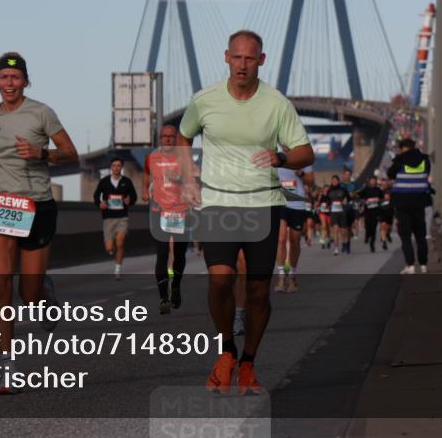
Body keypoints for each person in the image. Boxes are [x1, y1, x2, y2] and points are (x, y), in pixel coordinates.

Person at [177, 29, 314, 395]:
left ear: (261, 61)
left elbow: (305, 152)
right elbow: (183, 135)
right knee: (220, 280)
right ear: (226, 57)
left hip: (263, 204)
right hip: (218, 203)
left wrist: (281, 157)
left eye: (249, 58)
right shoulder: (204, 100)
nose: (242, 65)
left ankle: (249, 362)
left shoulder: (276, 103)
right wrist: (189, 177)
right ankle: (226, 352)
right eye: (236, 57)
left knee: (257, 292)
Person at [0, 52, 78, 394]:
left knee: (28, 294)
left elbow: (71, 153)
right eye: (4, 77)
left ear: (25, 81)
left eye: (15, 78)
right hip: (3, 205)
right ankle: (8, 368)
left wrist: (42, 153)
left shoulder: (41, 113)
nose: (10, 83)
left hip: (38, 206)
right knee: (0, 285)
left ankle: (45, 295)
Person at [143, 125, 189, 313]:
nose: (168, 139)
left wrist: (179, 178)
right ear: (160, 138)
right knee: (162, 253)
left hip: (181, 211)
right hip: (158, 210)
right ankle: (163, 298)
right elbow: (146, 173)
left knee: (179, 254)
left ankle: (176, 285)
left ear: (177, 138)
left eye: (171, 136)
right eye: (164, 136)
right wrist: (144, 189)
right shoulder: (152, 157)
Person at [387, 138, 432, 274]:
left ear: (402, 148)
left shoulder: (400, 160)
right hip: (419, 202)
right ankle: (423, 264)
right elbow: (427, 174)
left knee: (405, 236)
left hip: (403, 204)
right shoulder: (425, 160)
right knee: (420, 235)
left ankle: (410, 265)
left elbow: (390, 174)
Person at [94, 157, 138, 280]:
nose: (116, 168)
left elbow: (134, 197)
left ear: (121, 167)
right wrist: (100, 203)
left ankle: (117, 270)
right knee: (109, 247)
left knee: (120, 241)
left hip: (122, 217)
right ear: (111, 167)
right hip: (108, 218)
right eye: (114, 165)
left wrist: (130, 200)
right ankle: (114, 251)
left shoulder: (127, 182)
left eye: (118, 165)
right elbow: (96, 196)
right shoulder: (104, 182)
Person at [274, 162, 314, 292]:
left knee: (294, 241)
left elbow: (311, 181)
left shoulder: (303, 158)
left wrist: (301, 173)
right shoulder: (276, 156)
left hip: (297, 205)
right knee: (281, 239)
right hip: (279, 203)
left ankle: (292, 275)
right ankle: (281, 277)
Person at [357, 175, 385, 253]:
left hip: (376, 211)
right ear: (369, 181)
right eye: (372, 180)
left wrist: (379, 201)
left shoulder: (378, 190)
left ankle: (372, 245)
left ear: (376, 181)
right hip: (367, 211)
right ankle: (367, 236)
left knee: (373, 229)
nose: (373, 181)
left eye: (374, 180)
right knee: (368, 227)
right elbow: (358, 196)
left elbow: (382, 199)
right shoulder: (366, 189)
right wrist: (364, 201)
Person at [324, 175, 349, 256]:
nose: (334, 182)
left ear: (338, 181)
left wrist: (346, 201)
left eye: (335, 180)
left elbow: (348, 198)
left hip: (342, 212)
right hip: (333, 212)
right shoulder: (329, 191)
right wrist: (327, 205)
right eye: (333, 180)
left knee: (343, 231)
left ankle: (344, 243)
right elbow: (327, 200)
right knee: (335, 229)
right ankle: (336, 248)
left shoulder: (343, 190)